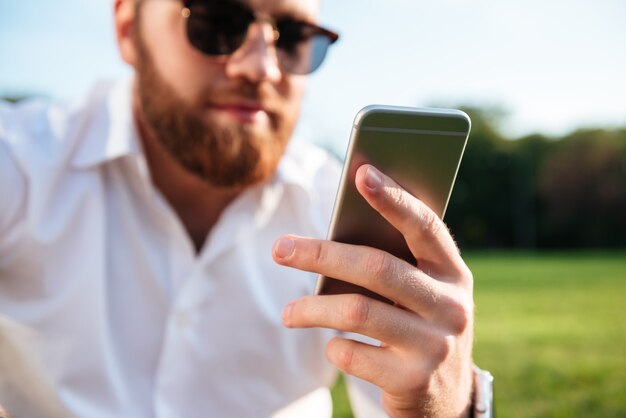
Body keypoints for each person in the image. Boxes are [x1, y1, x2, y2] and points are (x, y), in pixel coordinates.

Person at [0, 0, 490, 417]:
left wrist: (451, 402)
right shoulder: (19, 163)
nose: (261, 67)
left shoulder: (345, 208)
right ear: (129, 29)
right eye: (216, 24)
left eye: (294, 37)